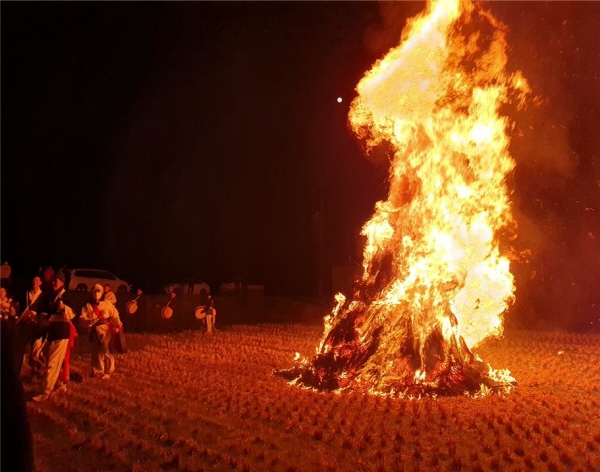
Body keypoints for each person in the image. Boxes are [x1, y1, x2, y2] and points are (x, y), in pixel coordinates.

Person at [32, 273, 75, 401]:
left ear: (62, 282)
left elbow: (71, 314)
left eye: (55, 280)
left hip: (61, 332)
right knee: (53, 360)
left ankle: (46, 392)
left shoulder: (67, 296)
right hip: (52, 331)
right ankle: (59, 384)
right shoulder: (51, 295)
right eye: (53, 280)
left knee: (52, 363)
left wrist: (63, 308)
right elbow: (45, 311)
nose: (53, 283)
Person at [79, 284, 122, 379]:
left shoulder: (107, 303)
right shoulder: (88, 305)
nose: (97, 293)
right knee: (96, 351)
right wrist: (88, 321)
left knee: (106, 350)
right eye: (95, 291)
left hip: (105, 329)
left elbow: (114, 314)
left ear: (102, 293)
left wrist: (117, 324)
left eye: (98, 291)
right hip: (94, 330)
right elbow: (82, 317)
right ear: (92, 292)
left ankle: (108, 371)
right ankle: (98, 371)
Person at [18, 276, 44, 379]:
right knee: (23, 349)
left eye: (37, 281)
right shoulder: (27, 294)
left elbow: (43, 310)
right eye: (33, 281)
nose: (35, 282)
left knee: (36, 350)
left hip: (36, 326)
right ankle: (21, 371)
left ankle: (37, 370)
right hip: (26, 324)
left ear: (40, 283)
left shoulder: (42, 295)